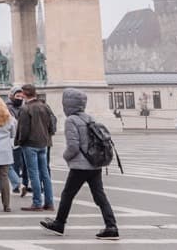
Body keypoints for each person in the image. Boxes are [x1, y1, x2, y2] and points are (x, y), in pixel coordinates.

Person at [41, 89, 119, 239]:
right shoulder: (89, 117)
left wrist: (66, 157)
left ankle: (59, 223)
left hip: (80, 166)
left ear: (68, 104)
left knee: (67, 195)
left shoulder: (71, 120)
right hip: (94, 164)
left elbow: (73, 146)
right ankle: (111, 226)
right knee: (100, 196)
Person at [17, 84, 57, 213]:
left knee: (33, 173)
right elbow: (52, 123)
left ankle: (37, 202)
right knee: (45, 173)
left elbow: (23, 129)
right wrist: (48, 135)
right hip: (43, 143)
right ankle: (49, 202)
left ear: (24, 94)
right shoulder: (44, 106)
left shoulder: (25, 108)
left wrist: (20, 141)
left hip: (30, 144)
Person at [6, 87, 29, 197]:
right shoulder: (8, 108)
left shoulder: (24, 107)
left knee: (25, 163)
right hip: (14, 139)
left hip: (24, 137)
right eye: (17, 96)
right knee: (15, 162)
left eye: (21, 96)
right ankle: (16, 186)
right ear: (12, 96)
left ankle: (24, 183)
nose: (20, 98)